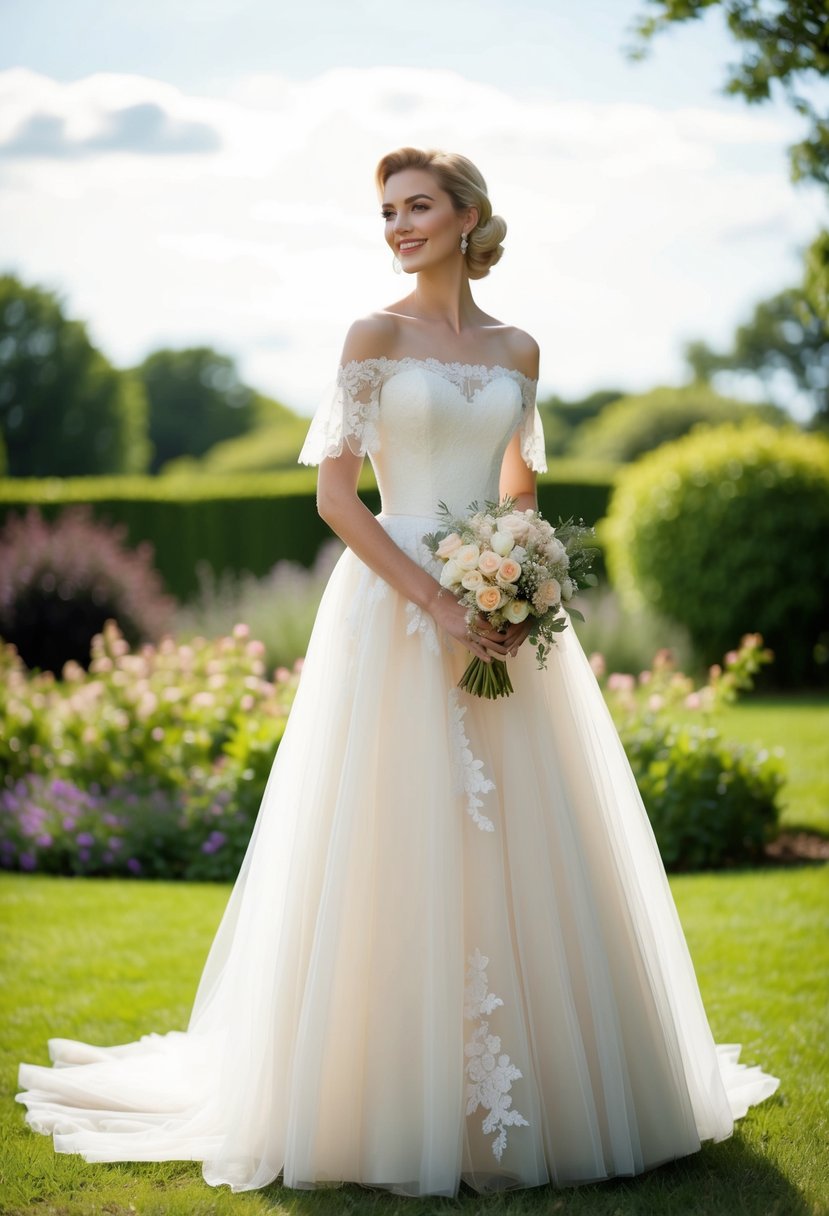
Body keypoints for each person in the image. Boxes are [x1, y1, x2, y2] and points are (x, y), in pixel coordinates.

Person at [16, 146, 779, 1198]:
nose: (399, 225)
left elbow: (515, 489)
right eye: (387, 211)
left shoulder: (520, 349)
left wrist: (516, 581)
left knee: (522, 841)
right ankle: (370, 1089)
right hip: (394, 608)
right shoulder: (372, 335)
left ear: (469, 216)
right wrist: (434, 599)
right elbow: (337, 496)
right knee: (391, 834)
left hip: (495, 607)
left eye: (418, 206)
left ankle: (543, 1090)